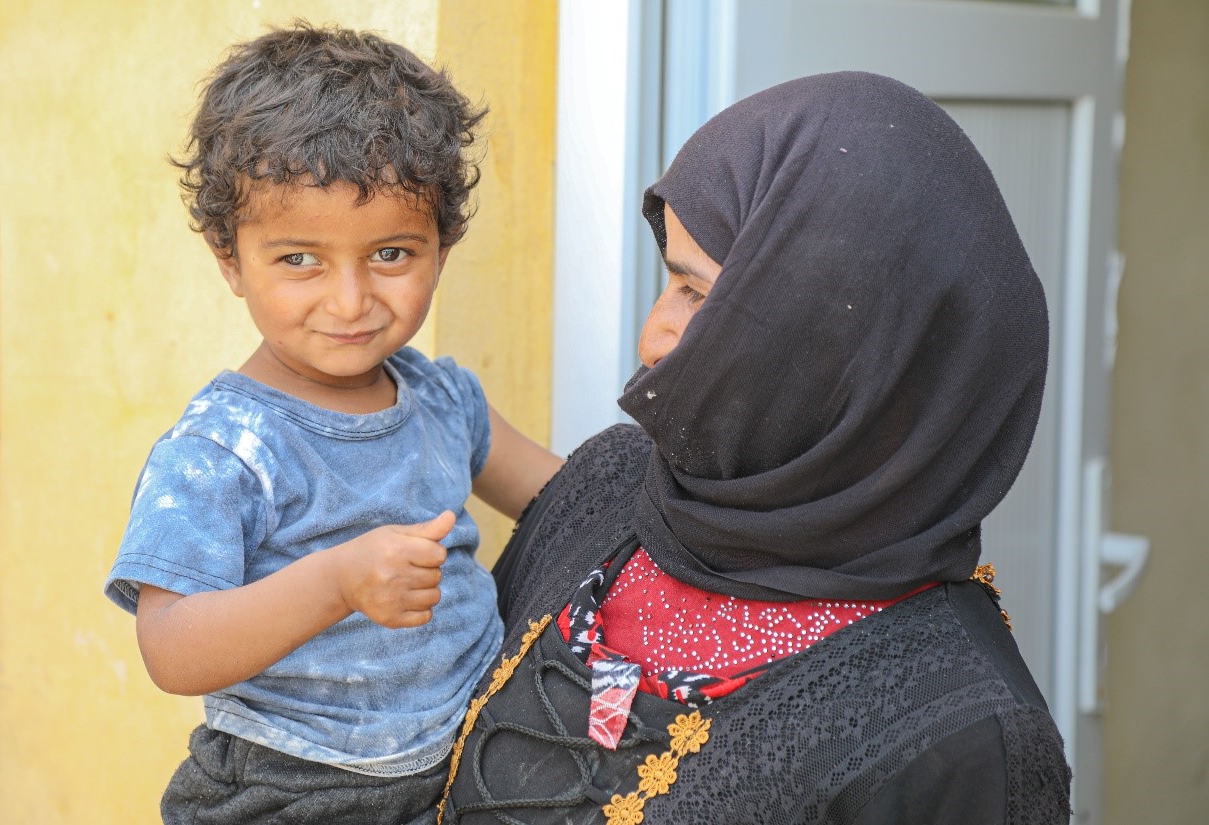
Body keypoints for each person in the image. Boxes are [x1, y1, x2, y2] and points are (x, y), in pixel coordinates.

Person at [440, 72, 1072, 824]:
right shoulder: (613, 490)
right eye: (667, 281)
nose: (652, 337)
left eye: (698, 294)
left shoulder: (958, 737)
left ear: (834, 340)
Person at [103, 23, 562, 825]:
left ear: (442, 247)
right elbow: (170, 646)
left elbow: (567, 497)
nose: (350, 302)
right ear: (228, 258)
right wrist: (336, 582)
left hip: (463, 763)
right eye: (299, 260)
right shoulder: (224, 449)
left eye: (390, 254)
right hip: (296, 787)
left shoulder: (443, 400)